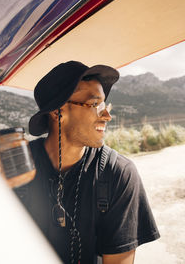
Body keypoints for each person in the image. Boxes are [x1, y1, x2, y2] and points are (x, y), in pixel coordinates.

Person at [14, 60, 160, 264]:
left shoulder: (117, 173)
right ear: (57, 112)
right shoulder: (14, 168)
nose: (107, 116)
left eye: (104, 104)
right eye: (94, 104)